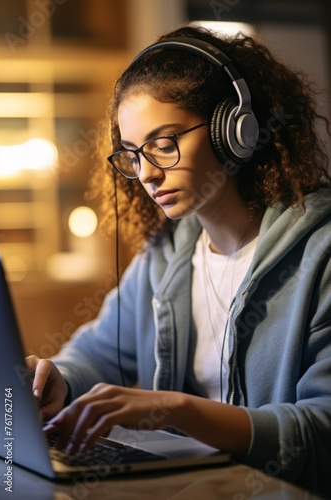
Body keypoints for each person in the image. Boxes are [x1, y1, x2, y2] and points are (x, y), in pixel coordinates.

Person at [27, 25, 331, 497]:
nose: (146, 173)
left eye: (164, 143)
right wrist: (58, 383)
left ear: (234, 130)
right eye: (132, 154)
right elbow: (98, 355)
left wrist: (177, 409)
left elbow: (322, 433)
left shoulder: (321, 256)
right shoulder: (166, 256)